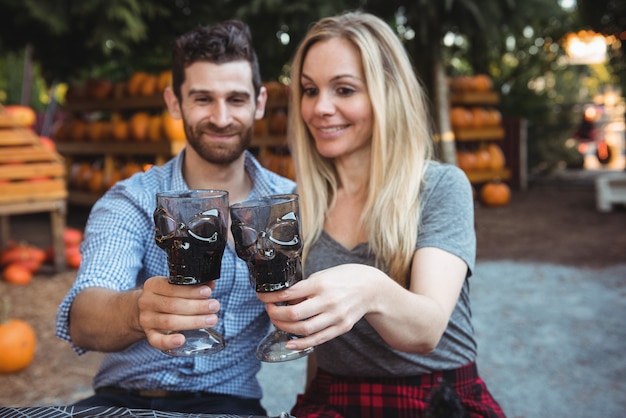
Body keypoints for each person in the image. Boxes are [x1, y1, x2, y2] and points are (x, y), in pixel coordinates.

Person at [256, 11, 506, 417]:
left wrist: (371, 288)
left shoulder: (441, 187)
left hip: (434, 400)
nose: (320, 107)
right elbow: (323, 343)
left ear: (388, 94)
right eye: (309, 89)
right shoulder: (300, 204)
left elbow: (426, 330)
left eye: (344, 89)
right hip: (335, 397)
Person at [55, 20, 295, 415]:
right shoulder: (132, 199)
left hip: (229, 403)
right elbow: (84, 316)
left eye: (236, 99)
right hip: (124, 400)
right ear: (173, 102)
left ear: (260, 102)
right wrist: (139, 310)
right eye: (203, 99)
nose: (221, 118)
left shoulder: (289, 203)